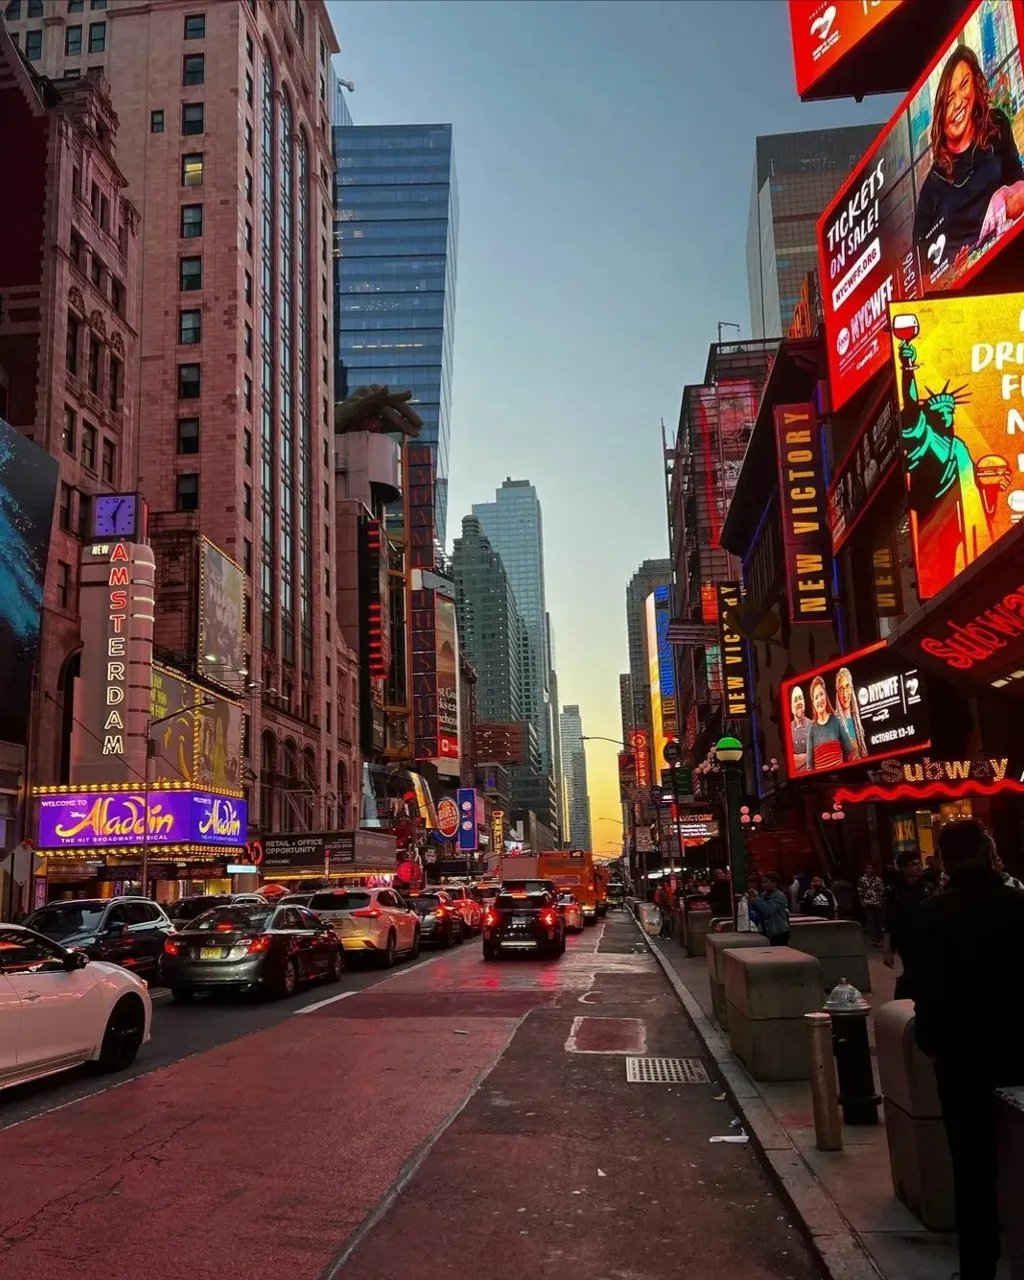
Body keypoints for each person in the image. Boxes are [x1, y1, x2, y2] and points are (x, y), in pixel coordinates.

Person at [914, 819, 1024, 1280]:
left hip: (960, 1058)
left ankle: (977, 1267)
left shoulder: (933, 913)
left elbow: (926, 990)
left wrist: (934, 1047)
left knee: (972, 1167)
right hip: (1017, 1049)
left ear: (943, 858)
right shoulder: (1018, 906)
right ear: (988, 850)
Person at [913, 46, 1024, 281]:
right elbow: (919, 274)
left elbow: (1021, 185)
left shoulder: (996, 127)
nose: (959, 103)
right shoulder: (933, 186)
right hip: (967, 291)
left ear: (975, 85)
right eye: (949, 99)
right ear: (939, 113)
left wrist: (1005, 197)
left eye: (964, 85)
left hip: (1012, 261)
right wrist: (951, 270)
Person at [883, 851, 932, 999]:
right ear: (903, 868)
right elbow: (889, 919)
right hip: (905, 938)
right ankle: (905, 997)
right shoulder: (894, 890)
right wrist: (887, 948)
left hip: (925, 935)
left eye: (919, 863)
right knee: (912, 969)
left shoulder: (926, 887)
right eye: (913, 864)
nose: (918, 867)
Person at [804, 675, 857, 771]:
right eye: (816, 697)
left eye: (821, 694)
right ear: (813, 703)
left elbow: (850, 752)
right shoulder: (812, 729)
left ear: (825, 695)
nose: (819, 699)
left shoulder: (835, 720)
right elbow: (809, 766)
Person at [754, 874, 791, 946]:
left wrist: (756, 899)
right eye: (762, 882)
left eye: (765, 882)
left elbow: (768, 910)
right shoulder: (764, 895)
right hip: (767, 931)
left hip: (779, 932)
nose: (762, 884)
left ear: (774, 883)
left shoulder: (779, 896)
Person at [858, 864, 886, 946]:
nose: (868, 870)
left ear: (873, 870)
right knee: (871, 922)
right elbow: (860, 891)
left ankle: (880, 938)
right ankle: (874, 939)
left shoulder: (878, 879)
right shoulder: (862, 879)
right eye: (867, 868)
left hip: (877, 903)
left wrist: (881, 901)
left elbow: (881, 891)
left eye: (870, 868)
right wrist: (862, 901)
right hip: (867, 903)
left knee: (879, 922)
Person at [789, 685, 810, 773]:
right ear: (791, 706)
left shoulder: (812, 725)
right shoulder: (788, 729)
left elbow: (816, 757)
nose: (799, 702)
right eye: (795, 700)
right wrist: (807, 756)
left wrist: (797, 758)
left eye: (800, 698)